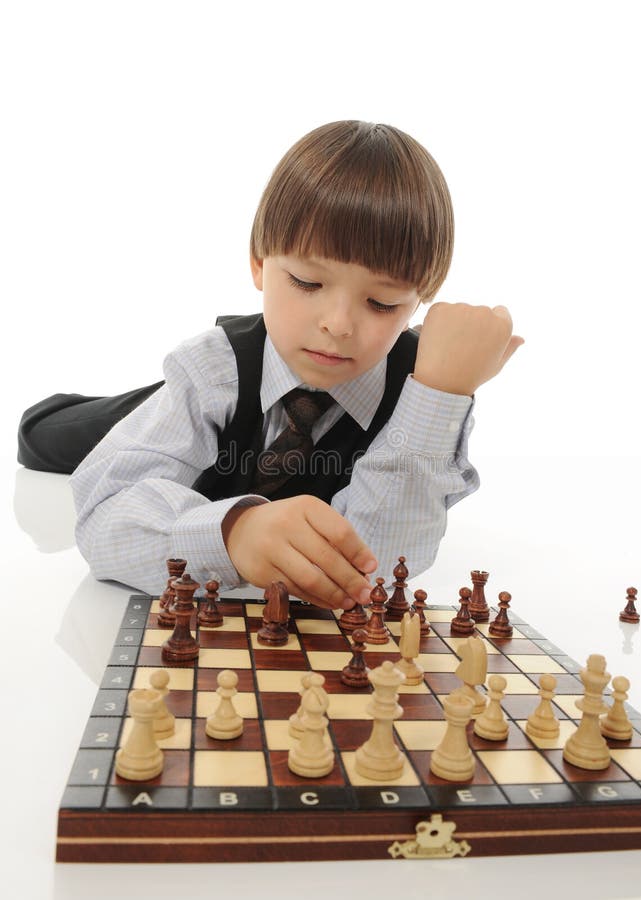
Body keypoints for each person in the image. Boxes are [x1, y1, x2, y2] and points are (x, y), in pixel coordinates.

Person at [66, 120, 523, 608]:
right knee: (48, 432)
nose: (339, 324)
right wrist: (232, 534)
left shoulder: (424, 389)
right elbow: (103, 520)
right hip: (222, 386)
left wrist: (441, 393)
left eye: (383, 303)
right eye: (307, 282)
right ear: (259, 263)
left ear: (419, 302)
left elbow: (379, 568)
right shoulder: (212, 370)